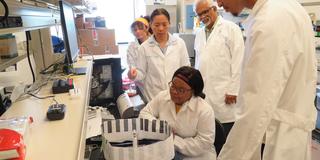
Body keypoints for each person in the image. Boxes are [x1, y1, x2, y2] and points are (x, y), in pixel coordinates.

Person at [215, 0, 318, 160]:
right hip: (286, 132)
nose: (219, 3)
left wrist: (230, 155)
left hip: (273, 135)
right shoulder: (287, 7)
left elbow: (257, 103)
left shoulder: (271, 19)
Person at [139, 66, 216, 160]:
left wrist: (173, 140)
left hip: (196, 156)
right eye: (173, 86)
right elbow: (144, 114)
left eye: (181, 90)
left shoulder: (204, 110)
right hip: (166, 150)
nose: (174, 92)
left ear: (193, 91)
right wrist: (161, 127)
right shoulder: (163, 97)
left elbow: (204, 143)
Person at [194, 0, 244, 137]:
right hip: (204, 93)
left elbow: (239, 61)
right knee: (207, 136)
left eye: (206, 11)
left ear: (215, 9)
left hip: (225, 93)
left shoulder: (231, 28)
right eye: (199, 14)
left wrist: (233, 90)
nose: (203, 16)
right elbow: (198, 63)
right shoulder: (199, 34)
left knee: (225, 135)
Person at [128, 8, 190, 102]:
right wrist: (134, 75)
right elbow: (141, 73)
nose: (161, 28)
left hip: (177, 95)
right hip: (154, 97)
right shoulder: (144, 47)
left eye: (164, 24)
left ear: (169, 24)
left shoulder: (179, 43)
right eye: (157, 25)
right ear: (150, 25)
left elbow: (186, 69)